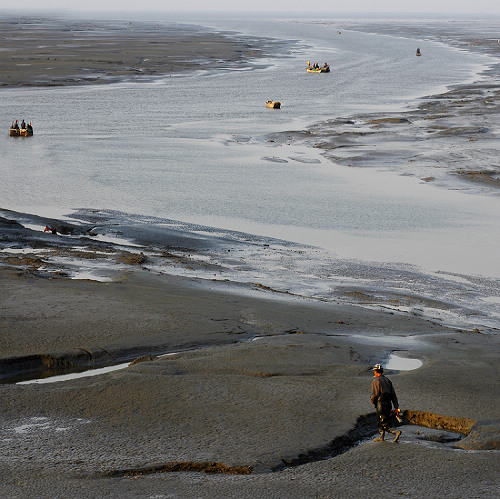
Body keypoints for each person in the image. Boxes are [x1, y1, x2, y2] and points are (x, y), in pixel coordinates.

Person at [370, 364, 402, 442]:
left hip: (381, 403)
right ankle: (381, 437)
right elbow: (393, 395)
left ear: (375, 371)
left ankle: (395, 432)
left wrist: (372, 400)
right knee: (382, 420)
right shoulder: (387, 380)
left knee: (383, 422)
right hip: (388, 404)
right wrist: (396, 406)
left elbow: (376, 394)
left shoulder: (376, 381)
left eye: (374, 371)